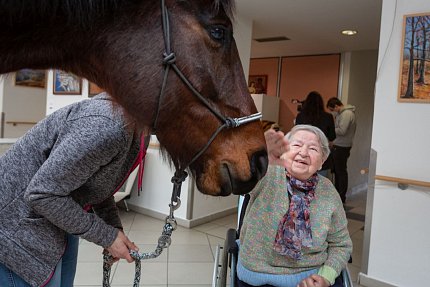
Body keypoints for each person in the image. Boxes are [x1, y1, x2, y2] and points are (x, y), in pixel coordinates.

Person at [0, 93, 145, 287]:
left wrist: (113, 229)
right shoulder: (107, 125)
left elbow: (97, 185)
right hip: (17, 229)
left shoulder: (133, 126)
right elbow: (42, 194)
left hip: (58, 220)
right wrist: (108, 237)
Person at [237, 125, 352, 287]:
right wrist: (258, 154)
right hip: (259, 274)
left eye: (313, 148)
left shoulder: (328, 191)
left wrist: (325, 276)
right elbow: (239, 176)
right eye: (297, 145)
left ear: (322, 161)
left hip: (311, 277)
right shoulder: (266, 174)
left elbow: (341, 244)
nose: (303, 153)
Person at [295, 91, 336, 178]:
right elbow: (332, 136)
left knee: (302, 184)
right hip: (320, 154)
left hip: (303, 154)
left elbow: (296, 134)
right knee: (320, 185)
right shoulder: (328, 117)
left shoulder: (300, 116)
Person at [326, 98, 356, 203]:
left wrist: (328, 129)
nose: (333, 112)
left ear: (336, 106)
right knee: (338, 171)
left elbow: (342, 131)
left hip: (342, 146)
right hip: (339, 145)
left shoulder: (347, 114)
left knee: (341, 172)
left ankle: (341, 196)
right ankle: (338, 195)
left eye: (332, 109)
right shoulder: (342, 114)